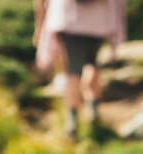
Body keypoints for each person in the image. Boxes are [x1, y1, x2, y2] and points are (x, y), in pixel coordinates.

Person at [34, 0, 127, 139]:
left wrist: (40, 24)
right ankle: (93, 112)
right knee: (92, 64)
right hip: (99, 21)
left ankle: (72, 122)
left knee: (73, 71)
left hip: (69, 19)